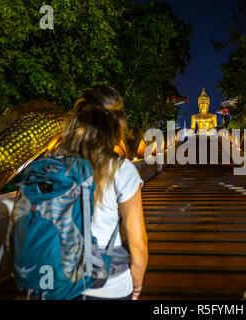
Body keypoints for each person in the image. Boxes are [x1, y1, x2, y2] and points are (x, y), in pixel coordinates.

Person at [50, 85, 148, 300]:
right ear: (117, 123)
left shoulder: (54, 163)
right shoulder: (121, 169)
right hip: (107, 285)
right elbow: (138, 242)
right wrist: (137, 284)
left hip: (57, 281)